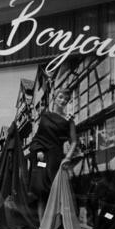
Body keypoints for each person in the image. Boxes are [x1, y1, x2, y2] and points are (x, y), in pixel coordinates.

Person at [29, 88, 77, 221]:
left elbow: (74, 141)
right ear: (54, 98)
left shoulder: (69, 120)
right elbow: (37, 137)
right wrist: (38, 149)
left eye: (66, 100)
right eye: (61, 97)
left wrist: (68, 158)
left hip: (56, 159)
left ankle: (55, 227)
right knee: (41, 193)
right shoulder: (45, 116)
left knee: (56, 194)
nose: (63, 101)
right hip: (42, 158)